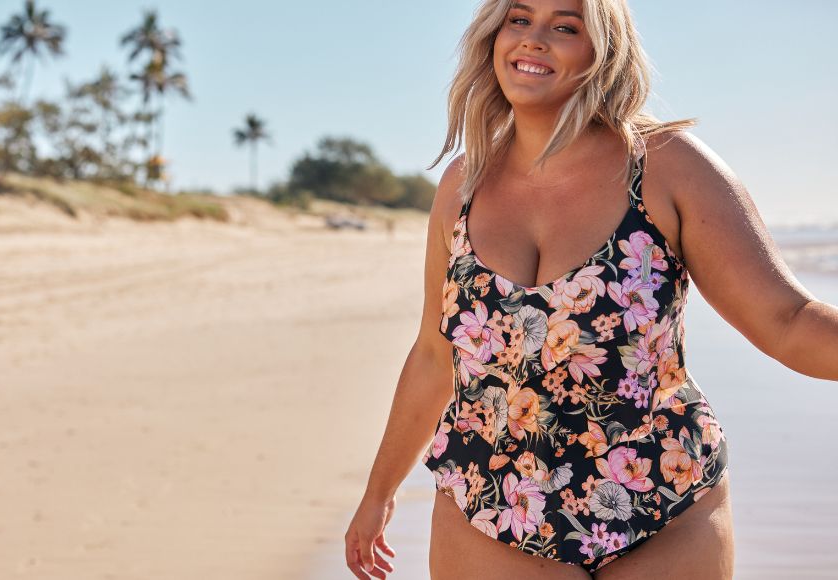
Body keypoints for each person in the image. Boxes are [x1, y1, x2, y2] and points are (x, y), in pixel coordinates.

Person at [344, 0, 838, 578]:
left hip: (661, 501)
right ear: (492, 37)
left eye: (565, 27)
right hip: (493, 503)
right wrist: (379, 491)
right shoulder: (464, 183)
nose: (533, 40)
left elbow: (787, 321)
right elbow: (436, 354)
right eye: (519, 19)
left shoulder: (665, 167)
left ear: (603, 50)